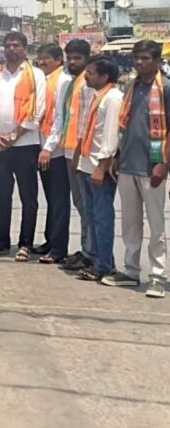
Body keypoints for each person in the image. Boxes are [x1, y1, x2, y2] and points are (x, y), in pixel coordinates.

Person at [103, 40, 170, 298]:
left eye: (145, 58)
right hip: (128, 163)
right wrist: (117, 156)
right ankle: (131, 271)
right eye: (137, 58)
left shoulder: (164, 88)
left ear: (156, 61)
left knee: (156, 225)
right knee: (130, 223)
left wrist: (163, 163)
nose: (140, 63)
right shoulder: (130, 87)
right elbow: (124, 126)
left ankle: (157, 276)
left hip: (152, 166)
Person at [0, 32, 47, 260]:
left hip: (25, 144)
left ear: (25, 48)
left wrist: (13, 136)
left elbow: (37, 111)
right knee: (0, 195)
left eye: (16, 45)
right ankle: (1, 240)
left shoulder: (35, 74)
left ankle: (25, 243)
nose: (11, 49)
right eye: (8, 45)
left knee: (28, 196)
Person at [72, 57, 123, 282]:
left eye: (91, 73)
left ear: (104, 76)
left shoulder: (113, 98)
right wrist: (78, 157)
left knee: (102, 218)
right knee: (92, 217)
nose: (86, 76)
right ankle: (101, 259)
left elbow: (111, 136)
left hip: (98, 167)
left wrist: (101, 167)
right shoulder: (96, 95)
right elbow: (86, 129)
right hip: (87, 163)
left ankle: (103, 266)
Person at [58, 39, 96, 271]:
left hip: (82, 153)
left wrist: (79, 154)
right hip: (70, 150)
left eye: (77, 58)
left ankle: (92, 253)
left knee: (88, 207)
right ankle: (86, 249)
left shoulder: (88, 84)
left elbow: (87, 123)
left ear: (87, 58)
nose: (72, 62)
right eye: (69, 58)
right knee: (81, 205)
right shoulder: (73, 82)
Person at [33, 44, 72, 264]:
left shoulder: (63, 81)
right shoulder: (45, 80)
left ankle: (58, 248)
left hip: (54, 150)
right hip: (42, 146)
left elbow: (60, 117)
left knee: (58, 201)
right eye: (40, 58)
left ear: (58, 59)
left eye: (46, 58)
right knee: (50, 199)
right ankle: (50, 240)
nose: (41, 62)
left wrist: (49, 147)